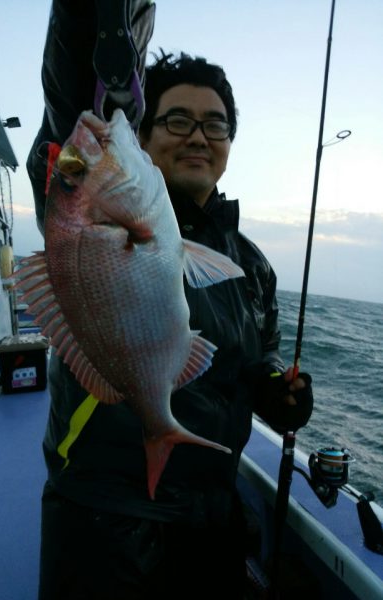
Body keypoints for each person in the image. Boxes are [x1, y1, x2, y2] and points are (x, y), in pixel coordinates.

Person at [27, 4, 313, 599]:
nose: (197, 136)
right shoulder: (82, 199)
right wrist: (109, 22)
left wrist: (276, 397)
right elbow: (71, 85)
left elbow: (252, 361)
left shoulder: (252, 263)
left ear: (231, 142)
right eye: (177, 119)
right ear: (142, 129)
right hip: (104, 521)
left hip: (212, 521)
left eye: (215, 124)